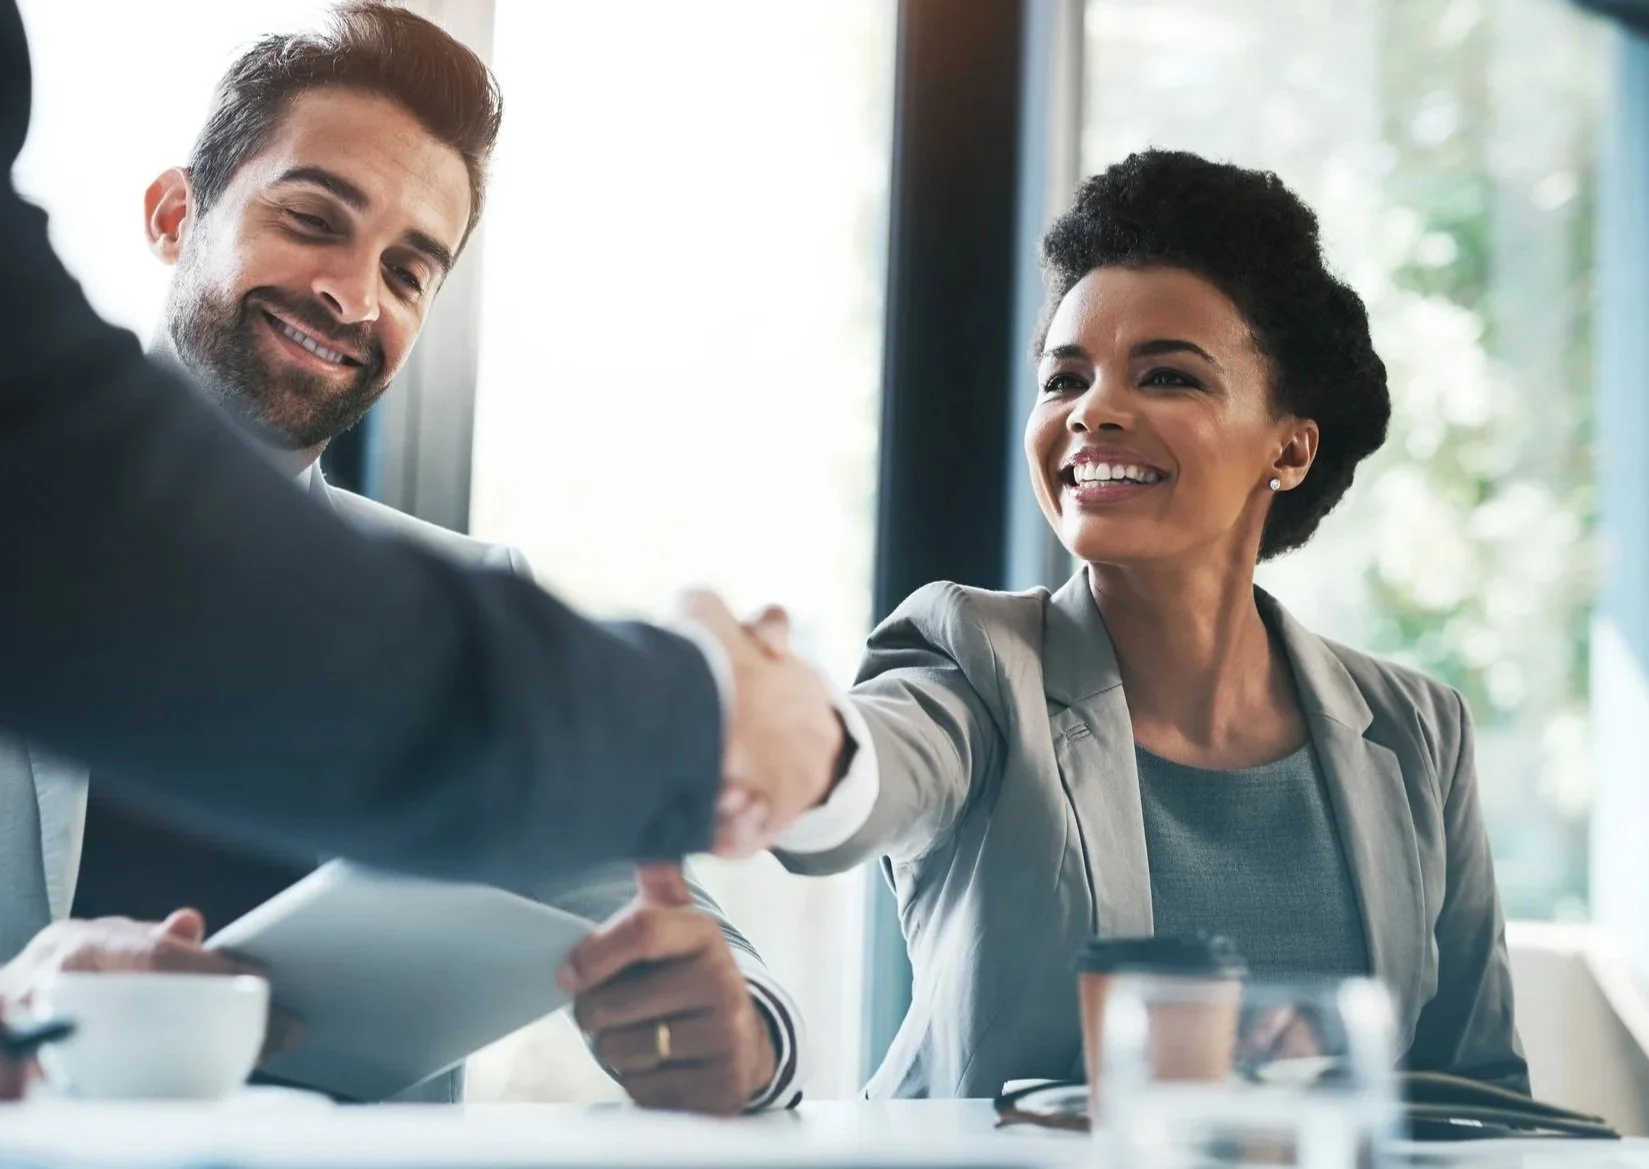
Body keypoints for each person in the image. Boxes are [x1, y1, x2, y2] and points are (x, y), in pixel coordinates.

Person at [0, 0, 843, 1098]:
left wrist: (744, 1038)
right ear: (172, 214)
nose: (352, 295)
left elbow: (666, 925)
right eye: (311, 219)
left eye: (408, 271)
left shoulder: (473, 596)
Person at [775, 149, 1528, 1099]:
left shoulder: (1418, 728)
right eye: (1063, 380)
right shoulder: (973, 662)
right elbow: (866, 769)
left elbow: (1478, 1092)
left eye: (1166, 376)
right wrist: (790, 744)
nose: (1094, 412)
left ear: (1289, 448)